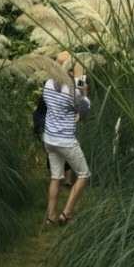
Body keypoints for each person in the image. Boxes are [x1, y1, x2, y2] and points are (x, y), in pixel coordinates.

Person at [43, 51, 91, 226]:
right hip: (65, 140)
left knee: (56, 177)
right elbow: (85, 110)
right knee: (84, 175)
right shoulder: (72, 92)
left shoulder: (47, 84)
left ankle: (51, 217)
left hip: (49, 139)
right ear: (70, 70)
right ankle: (67, 213)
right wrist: (84, 92)